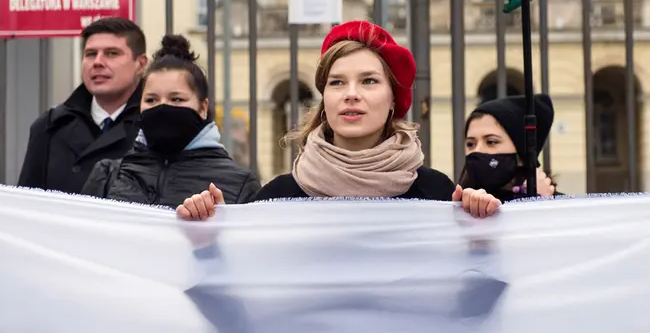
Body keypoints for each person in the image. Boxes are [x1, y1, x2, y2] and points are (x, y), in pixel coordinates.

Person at [177, 20, 501, 219]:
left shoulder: (437, 193)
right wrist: (216, 230)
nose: (351, 94)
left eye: (369, 81)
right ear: (325, 100)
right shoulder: (278, 197)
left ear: (393, 100)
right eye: (337, 82)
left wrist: (479, 229)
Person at [82, 35, 260, 208]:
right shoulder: (108, 174)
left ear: (203, 107)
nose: (162, 108)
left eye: (176, 99)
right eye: (151, 100)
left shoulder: (240, 183)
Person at [17, 17, 147, 194]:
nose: (98, 62)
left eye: (112, 53)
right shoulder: (49, 127)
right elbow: (27, 204)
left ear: (140, 64)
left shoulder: (153, 125)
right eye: (91, 54)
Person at [461, 93, 562, 202]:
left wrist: (536, 204)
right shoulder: (457, 203)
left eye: (491, 142)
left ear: (521, 153)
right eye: (470, 144)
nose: (477, 150)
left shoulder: (561, 207)